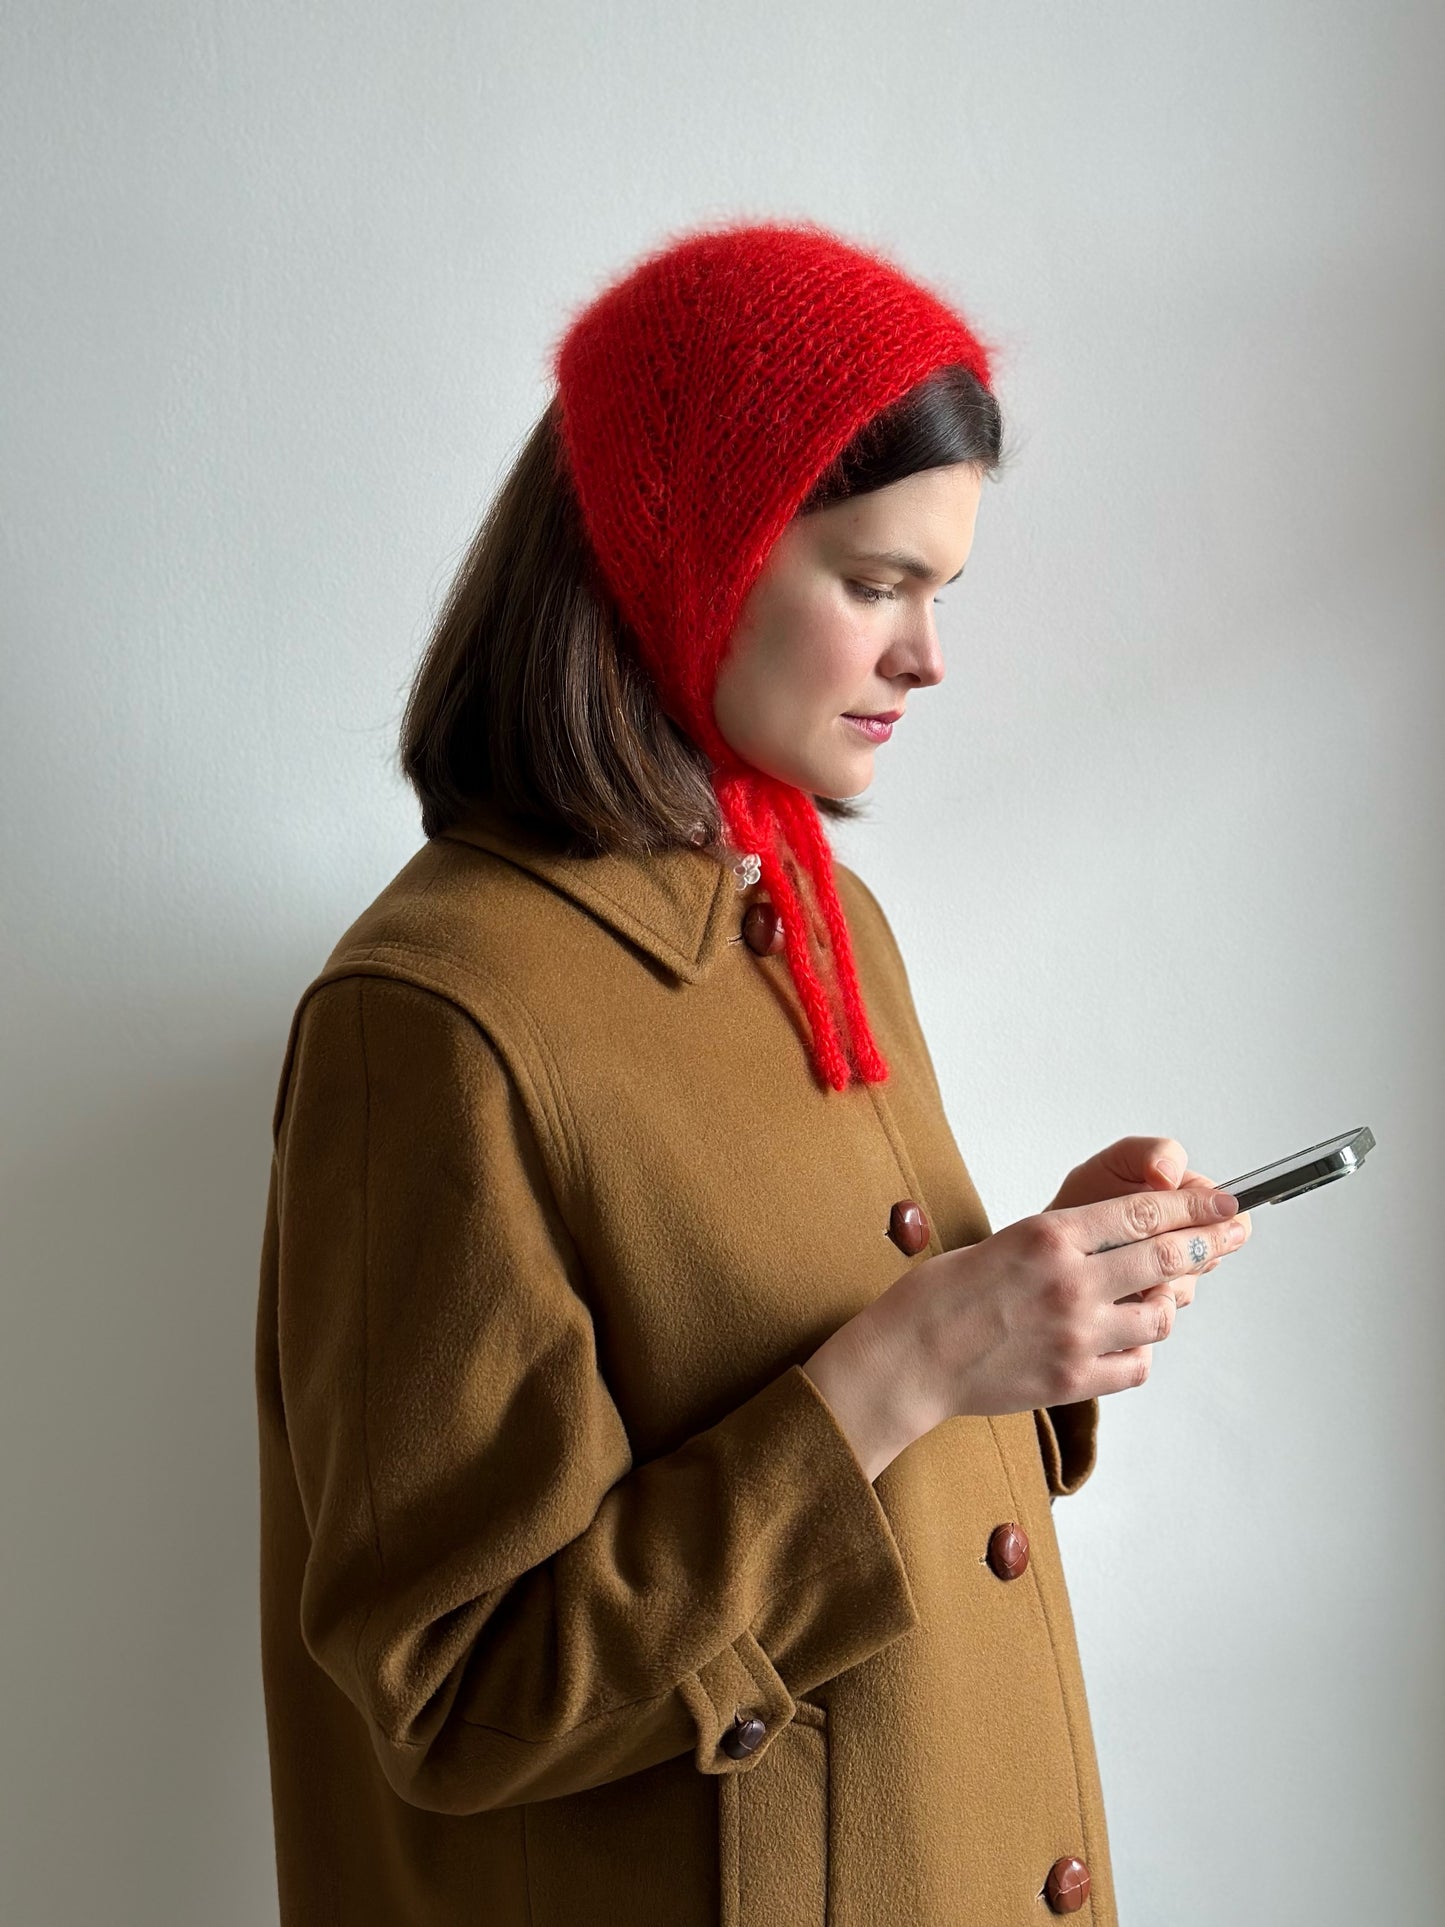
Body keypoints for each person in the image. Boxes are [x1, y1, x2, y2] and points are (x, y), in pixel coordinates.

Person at [255, 218, 1252, 1926]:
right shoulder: (430, 1020)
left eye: (937, 592)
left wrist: (1038, 1303)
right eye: (873, 583)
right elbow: (462, 1692)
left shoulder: (816, 926)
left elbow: (827, 1394)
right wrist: (918, 1350)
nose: (924, 658)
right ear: (680, 551)